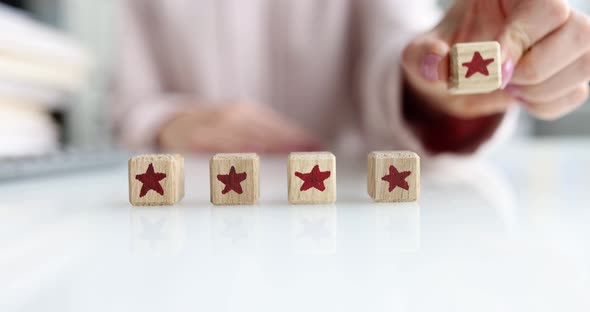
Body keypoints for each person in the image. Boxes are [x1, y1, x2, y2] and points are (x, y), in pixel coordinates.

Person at [112, 0, 590, 156]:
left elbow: (399, 46)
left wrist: (433, 93)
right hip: (196, 218)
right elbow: (126, 103)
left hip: (352, 225)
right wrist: (165, 121)